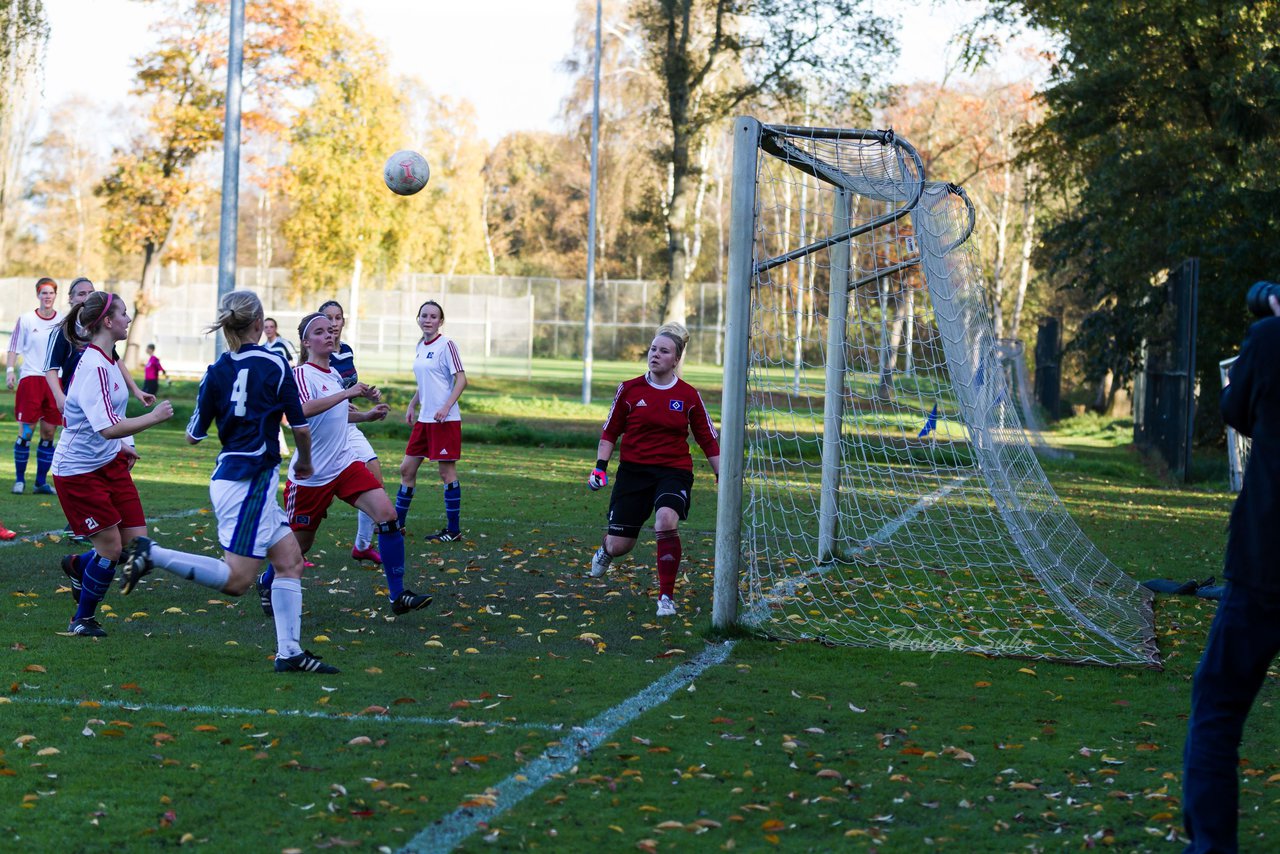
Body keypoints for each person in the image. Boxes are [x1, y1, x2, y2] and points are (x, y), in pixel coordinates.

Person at [116, 290, 337, 674]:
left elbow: (193, 436)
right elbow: (299, 426)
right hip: (248, 482)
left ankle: (290, 653)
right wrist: (304, 462)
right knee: (237, 581)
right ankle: (152, 554)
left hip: (240, 478)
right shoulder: (276, 364)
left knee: (290, 562)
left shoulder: (216, 371)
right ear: (258, 324)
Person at [1183, 292, 1280, 851]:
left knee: (1218, 704)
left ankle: (1212, 844)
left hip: (1267, 559)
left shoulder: (1269, 341)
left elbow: (1234, 409)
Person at [257, 312, 431, 617]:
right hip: (311, 476)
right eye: (320, 332)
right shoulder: (300, 374)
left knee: (388, 516)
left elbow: (337, 413)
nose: (329, 335)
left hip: (344, 465)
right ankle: (267, 580)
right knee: (300, 547)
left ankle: (397, 595)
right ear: (306, 341)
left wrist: (366, 415)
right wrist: (348, 392)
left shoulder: (334, 376)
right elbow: (302, 411)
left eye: (331, 331)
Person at [48, 291, 174, 637]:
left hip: (109, 462)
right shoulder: (92, 367)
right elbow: (106, 427)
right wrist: (152, 417)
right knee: (111, 548)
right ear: (107, 321)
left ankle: (78, 566)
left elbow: (108, 420)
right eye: (123, 314)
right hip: (78, 472)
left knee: (136, 550)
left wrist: (123, 446)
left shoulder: (108, 360)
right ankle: (81, 620)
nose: (128, 319)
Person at [586, 322, 720, 617]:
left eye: (664, 351)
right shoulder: (629, 389)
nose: (655, 355)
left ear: (676, 359)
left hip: (673, 471)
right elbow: (610, 432)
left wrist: (722, 475)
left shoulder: (688, 395)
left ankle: (666, 598)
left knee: (666, 520)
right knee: (621, 545)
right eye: (653, 349)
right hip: (633, 473)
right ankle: (606, 551)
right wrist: (600, 468)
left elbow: (707, 438)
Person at [318, 299, 385, 563]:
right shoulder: (316, 354)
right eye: (328, 319)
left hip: (349, 425)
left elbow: (348, 385)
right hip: (325, 430)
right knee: (317, 499)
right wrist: (345, 401)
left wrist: (369, 393)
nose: (333, 324)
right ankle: (291, 548)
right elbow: (322, 395)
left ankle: (362, 546)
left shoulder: (346, 351)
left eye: (338, 318)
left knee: (374, 479)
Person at [395, 300, 466, 542]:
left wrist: (446, 407)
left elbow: (461, 380)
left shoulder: (447, 345)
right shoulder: (420, 345)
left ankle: (453, 531)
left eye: (433, 316)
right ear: (418, 318)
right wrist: (412, 403)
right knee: (407, 469)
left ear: (440, 321)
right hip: (425, 420)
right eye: (424, 315)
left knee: (446, 473)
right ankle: (398, 524)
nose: (428, 319)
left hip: (445, 420)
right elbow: (426, 381)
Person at [44, 277, 154, 413]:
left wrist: (136, 390)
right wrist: (59, 396)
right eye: (81, 294)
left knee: (111, 429)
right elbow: (50, 367)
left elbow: (116, 361)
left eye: (90, 293)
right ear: (70, 299)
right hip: (76, 399)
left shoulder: (99, 328)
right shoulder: (62, 331)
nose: (87, 297)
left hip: (104, 395)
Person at [7, 277, 63, 495]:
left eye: (51, 293)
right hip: (31, 379)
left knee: (49, 433)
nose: (47, 296)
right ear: (38, 295)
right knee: (27, 432)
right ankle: (19, 480)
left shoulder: (63, 320)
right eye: (44, 293)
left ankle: (40, 482)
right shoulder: (26, 319)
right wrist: (10, 372)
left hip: (54, 380)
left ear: (55, 295)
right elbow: (13, 348)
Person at [263, 318, 296, 457]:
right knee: (274, 415)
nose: (269, 329)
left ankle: (305, 433)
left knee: (283, 416)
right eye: (266, 327)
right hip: (271, 386)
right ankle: (282, 448)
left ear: (275, 328)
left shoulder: (283, 344)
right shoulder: (264, 347)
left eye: (271, 326)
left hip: (285, 384)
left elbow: (295, 360)